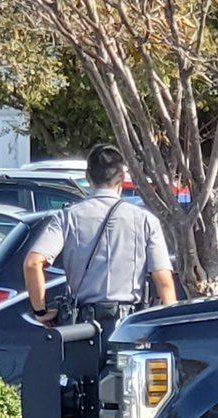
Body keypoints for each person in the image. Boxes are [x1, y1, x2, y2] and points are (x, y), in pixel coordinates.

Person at [24, 144, 177, 338]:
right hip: (130, 328)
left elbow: (32, 263)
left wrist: (41, 311)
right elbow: (164, 282)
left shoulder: (68, 217)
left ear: (88, 177)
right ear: (122, 177)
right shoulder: (146, 220)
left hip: (82, 329)